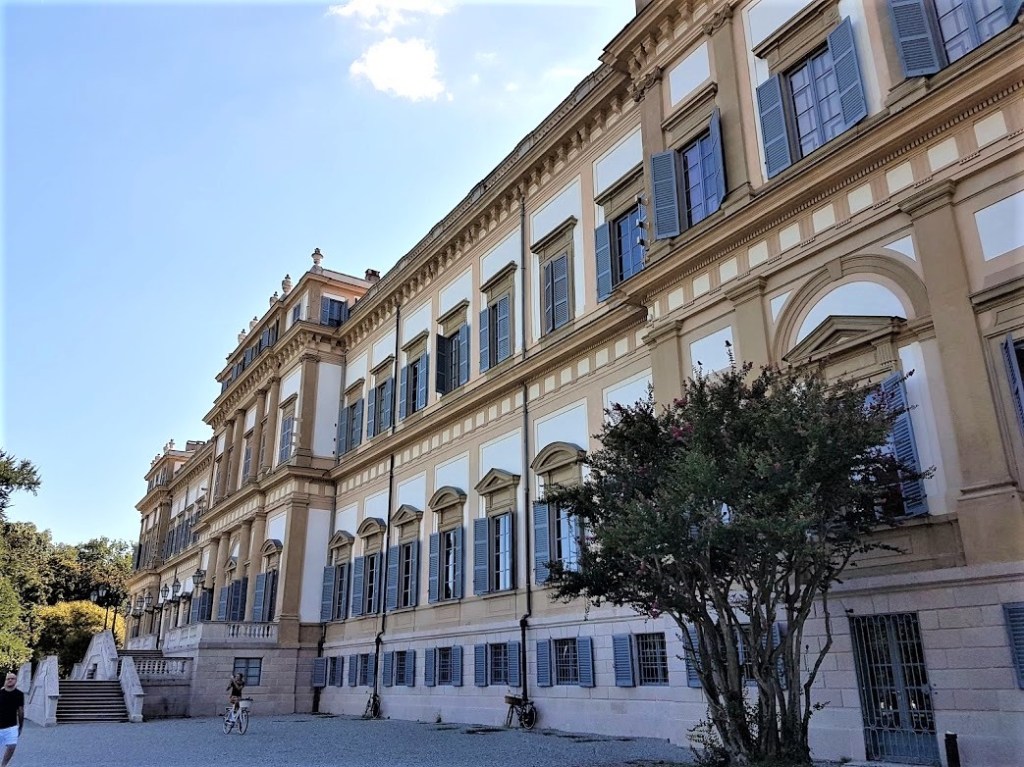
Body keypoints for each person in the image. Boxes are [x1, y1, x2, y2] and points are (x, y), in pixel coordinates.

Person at [0, 672, 24, 767]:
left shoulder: (19, 694)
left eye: (12, 678)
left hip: (12, 726)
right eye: (8, 679)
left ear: (16, 680)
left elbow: (21, 711)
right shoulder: (0, 693)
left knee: (12, 746)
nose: (10, 680)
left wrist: (21, 726)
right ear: (5, 681)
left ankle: (3, 765)